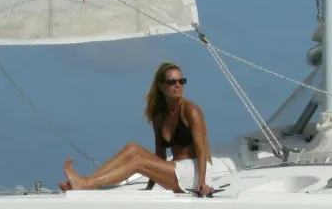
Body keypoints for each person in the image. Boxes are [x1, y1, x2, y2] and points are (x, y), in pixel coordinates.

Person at [59, 62, 215, 196]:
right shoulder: (159, 117)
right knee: (132, 148)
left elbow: (201, 150)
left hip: (196, 172)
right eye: (172, 82)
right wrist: (150, 185)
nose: (178, 85)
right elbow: (159, 157)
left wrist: (202, 183)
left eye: (182, 81)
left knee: (137, 162)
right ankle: (86, 182)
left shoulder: (191, 110)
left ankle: (84, 184)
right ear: (161, 86)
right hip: (176, 169)